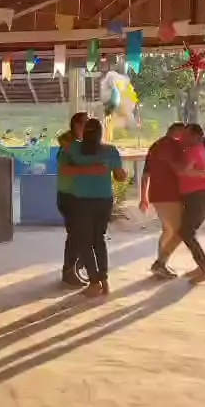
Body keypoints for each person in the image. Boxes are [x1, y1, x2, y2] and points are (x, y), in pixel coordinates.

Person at [66, 118, 127, 298]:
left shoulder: (75, 149)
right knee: (98, 239)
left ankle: (94, 282)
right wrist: (119, 173)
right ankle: (104, 280)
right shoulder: (110, 151)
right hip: (104, 200)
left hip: (82, 200)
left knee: (85, 242)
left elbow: (66, 170)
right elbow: (120, 177)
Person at [56, 112, 102, 287]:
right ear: (76, 125)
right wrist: (92, 170)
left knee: (82, 234)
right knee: (76, 235)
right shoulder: (69, 147)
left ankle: (75, 268)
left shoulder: (81, 146)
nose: (88, 126)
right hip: (70, 196)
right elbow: (66, 170)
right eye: (85, 123)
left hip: (80, 196)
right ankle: (69, 271)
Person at [139, 122, 187, 279]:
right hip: (170, 195)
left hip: (156, 194)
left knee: (168, 230)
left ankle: (161, 263)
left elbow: (146, 173)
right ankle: (161, 263)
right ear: (178, 133)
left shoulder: (156, 146)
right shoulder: (175, 146)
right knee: (179, 231)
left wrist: (144, 197)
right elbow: (182, 169)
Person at [176, 123, 205, 284]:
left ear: (196, 136)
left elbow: (185, 171)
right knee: (188, 232)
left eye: (186, 134)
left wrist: (204, 173)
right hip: (198, 196)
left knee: (186, 233)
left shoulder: (194, 150)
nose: (183, 137)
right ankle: (202, 267)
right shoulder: (200, 148)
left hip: (199, 197)